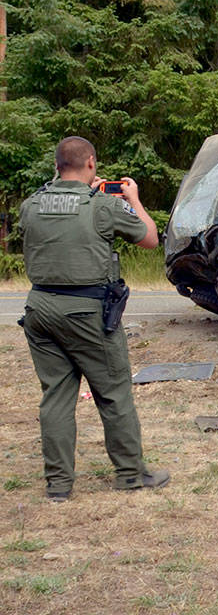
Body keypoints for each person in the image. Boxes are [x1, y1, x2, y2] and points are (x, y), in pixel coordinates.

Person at [19, 136, 169, 502]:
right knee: (114, 392)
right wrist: (131, 200)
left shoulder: (31, 205)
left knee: (55, 396)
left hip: (39, 308)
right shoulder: (101, 206)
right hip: (87, 312)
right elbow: (150, 239)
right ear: (91, 164)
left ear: (57, 166)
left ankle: (58, 485)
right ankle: (131, 474)